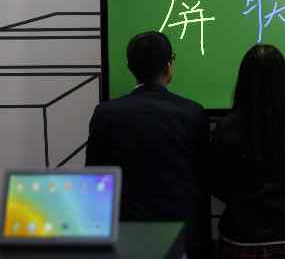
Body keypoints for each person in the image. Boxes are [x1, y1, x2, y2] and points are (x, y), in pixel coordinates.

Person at [85, 31, 209, 259]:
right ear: (168, 66)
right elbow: (202, 183)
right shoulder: (193, 113)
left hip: (126, 236)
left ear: (130, 67)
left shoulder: (106, 114)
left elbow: (95, 181)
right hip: (177, 236)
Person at [212, 45, 285, 259]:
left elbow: (217, 182)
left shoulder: (226, 127)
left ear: (243, 82)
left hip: (240, 235)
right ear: (284, 80)